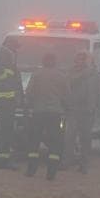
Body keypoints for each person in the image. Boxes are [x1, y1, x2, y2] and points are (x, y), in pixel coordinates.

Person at [24, 52, 69, 180]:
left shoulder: (36, 75)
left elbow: (29, 92)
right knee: (55, 142)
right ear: (55, 62)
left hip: (38, 113)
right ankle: (51, 172)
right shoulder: (61, 76)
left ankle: (31, 170)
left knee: (34, 141)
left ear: (43, 62)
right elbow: (67, 94)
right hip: (55, 113)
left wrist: (28, 106)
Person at [63, 50, 100, 174]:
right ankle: (66, 162)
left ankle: (84, 165)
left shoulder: (94, 74)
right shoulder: (71, 72)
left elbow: (99, 91)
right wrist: (85, 73)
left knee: (85, 139)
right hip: (74, 110)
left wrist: (99, 108)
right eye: (78, 59)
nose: (80, 61)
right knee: (69, 137)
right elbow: (70, 83)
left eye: (82, 59)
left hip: (88, 111)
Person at [0, 37, 24, 169]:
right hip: (5, 98)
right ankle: (5, 160)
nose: (17, 49)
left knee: (5, 130)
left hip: (5, 98)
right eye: (15, 46)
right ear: (10, 45)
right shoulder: (5, 55)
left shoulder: (5, 55)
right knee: (7, 130)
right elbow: (0, 71)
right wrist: (8, 75)